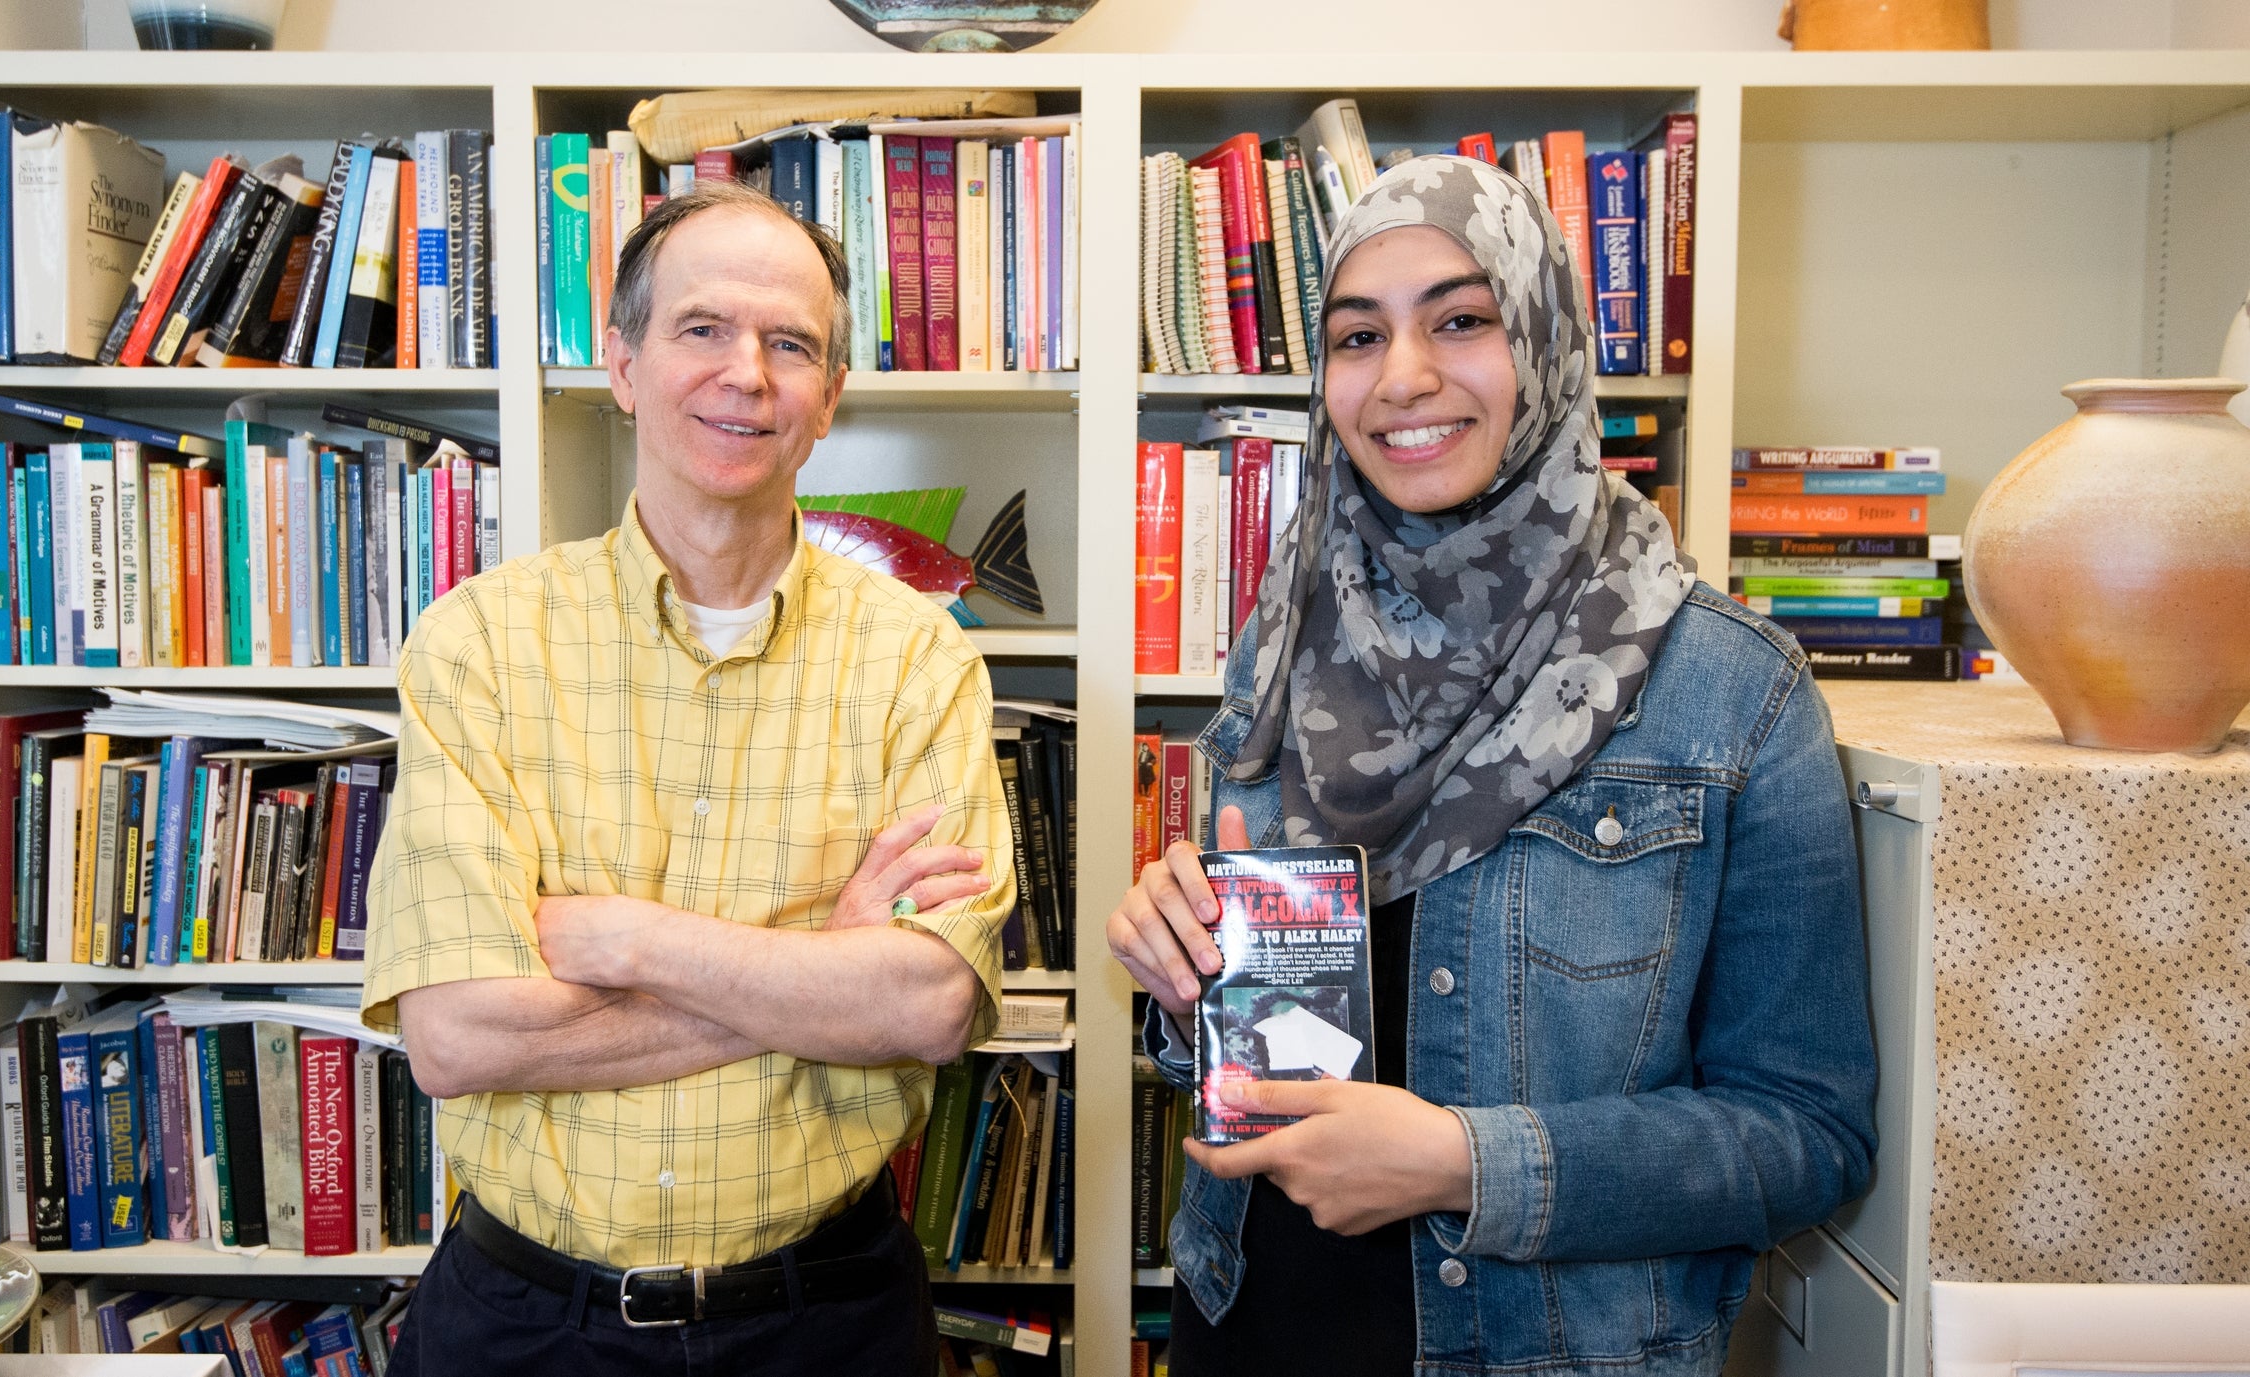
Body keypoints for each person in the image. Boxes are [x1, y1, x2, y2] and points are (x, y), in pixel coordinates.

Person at [1108, 154, 1878, 1376]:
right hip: (1251, 1322)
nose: (1403, 377)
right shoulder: (1286, 644)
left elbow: (1805, 1136)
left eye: (1461, 320)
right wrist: (1185, 982)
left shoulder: (1732, 690)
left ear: (1547, 336)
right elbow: (1266, 1039)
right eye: (1358, 336)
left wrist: (1464, 1164)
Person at [362, 180, 1015, 1376]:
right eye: (702, 329)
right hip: (525, 1326)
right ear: (622, 365)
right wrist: (818, 962)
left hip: (827, 1321)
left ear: (829, 401)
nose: (747, 374)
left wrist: (622, 940)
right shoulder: (480, 644)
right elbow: (457, 1037)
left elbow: (921, 1009)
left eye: (791, 344)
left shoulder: (919, 656)